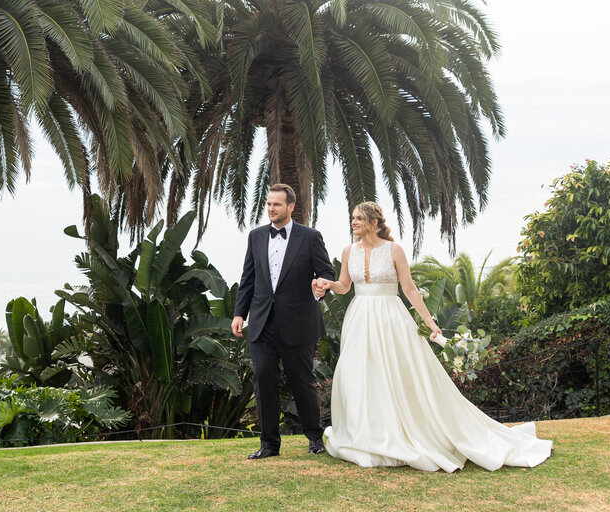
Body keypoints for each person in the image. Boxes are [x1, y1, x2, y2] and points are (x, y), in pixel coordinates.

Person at [313, 201, 552, 471]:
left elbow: (410, 290)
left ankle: (403, 431)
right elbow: (345, 286)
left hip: (390, 318)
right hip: (358, 319)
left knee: (395, 373)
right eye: (352, 218)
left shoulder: (394, 250)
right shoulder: (348, 251)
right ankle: (367, 434)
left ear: (374, 223)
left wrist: (430, 323)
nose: (353, 222)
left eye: (358, 218)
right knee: (361, 374)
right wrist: (328, 284)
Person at [232, 183, 335, 459]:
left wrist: (320, 287)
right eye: (268, 204)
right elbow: (248, 278)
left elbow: (326, 271)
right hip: (262, 321)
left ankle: (315, 438)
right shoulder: (255, 236)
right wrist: (239, 313)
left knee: (302, 381)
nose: (271, 209)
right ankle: (268, 445)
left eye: (276, 204)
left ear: (290, 207)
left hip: (299, 322)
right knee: (263, 378)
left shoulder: (310, 237)